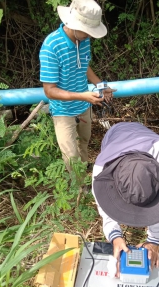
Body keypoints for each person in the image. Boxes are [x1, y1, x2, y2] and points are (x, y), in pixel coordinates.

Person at [92, 122, 159, 277]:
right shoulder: (101, 171)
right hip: (115, 134)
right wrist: (115, 236)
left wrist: (154, 240)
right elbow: (105, 206)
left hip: (144, 136)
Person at [39, 0, 116, 171]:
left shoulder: (83, 40)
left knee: (84, 141)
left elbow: (84, 66)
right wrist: (83, 95)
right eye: (87, 31)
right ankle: (79, 187)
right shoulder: (51, 46)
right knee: (71, 155)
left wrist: (101, 85)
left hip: (83, 105)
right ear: (73, 24)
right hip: (63, 110)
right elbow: (49, 91)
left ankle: (85, 168)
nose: (90, 36)